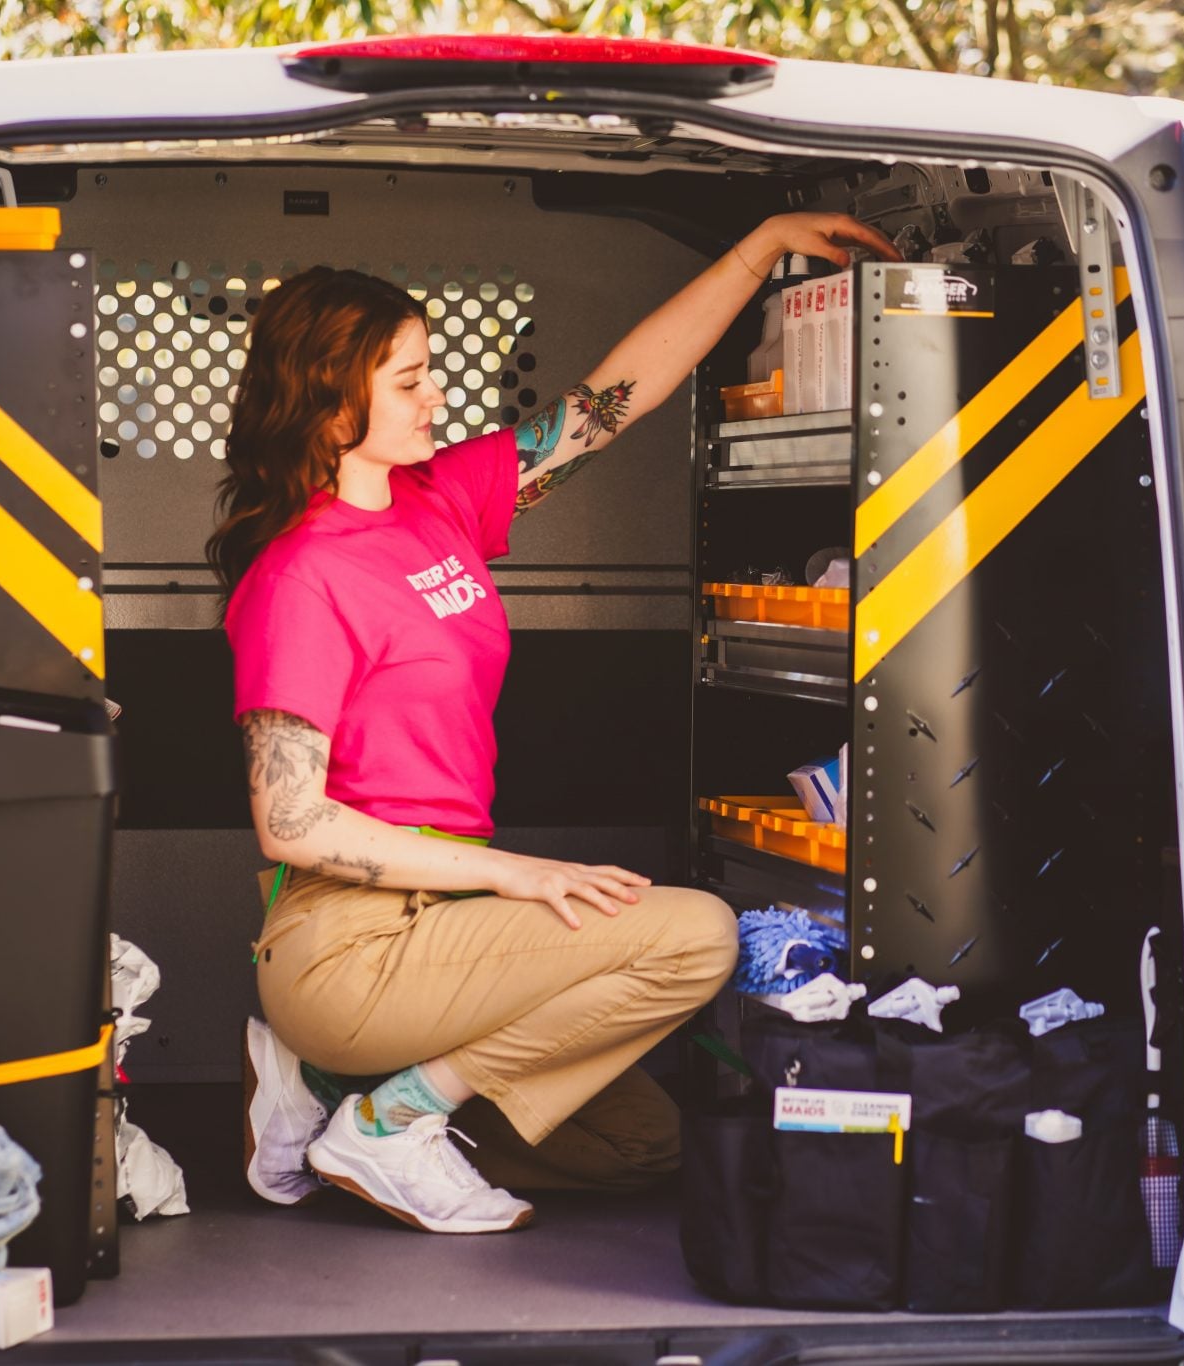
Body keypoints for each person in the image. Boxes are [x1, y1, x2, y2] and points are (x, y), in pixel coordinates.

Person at [215, 212, 900, 1234]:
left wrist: (754, 248)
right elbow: (292, 823)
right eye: (406, 380)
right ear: (326, 403)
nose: (435, 395)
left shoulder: (436, 501)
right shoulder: (299, 576)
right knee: (692, 937)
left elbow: (605, 406)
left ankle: (325, 1090)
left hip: (448, 935)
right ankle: (389, 1113)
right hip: (350, 942)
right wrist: (515, 872)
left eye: (427, 370)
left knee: (641, 1147)